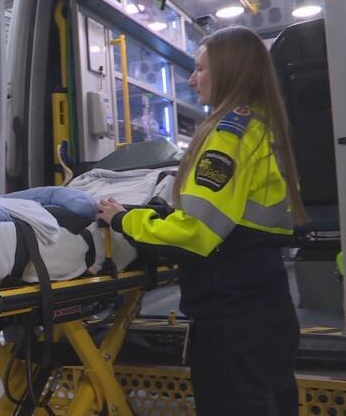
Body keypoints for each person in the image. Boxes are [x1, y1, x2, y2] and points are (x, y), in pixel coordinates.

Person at [98, 26, 306, 416]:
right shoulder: (262, 128)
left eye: (200, 69)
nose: (192, 80)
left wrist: (125, 220)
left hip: (232, 320)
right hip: (266, 307)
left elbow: (198, 232)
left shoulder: (227, 137)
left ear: (229, 71)